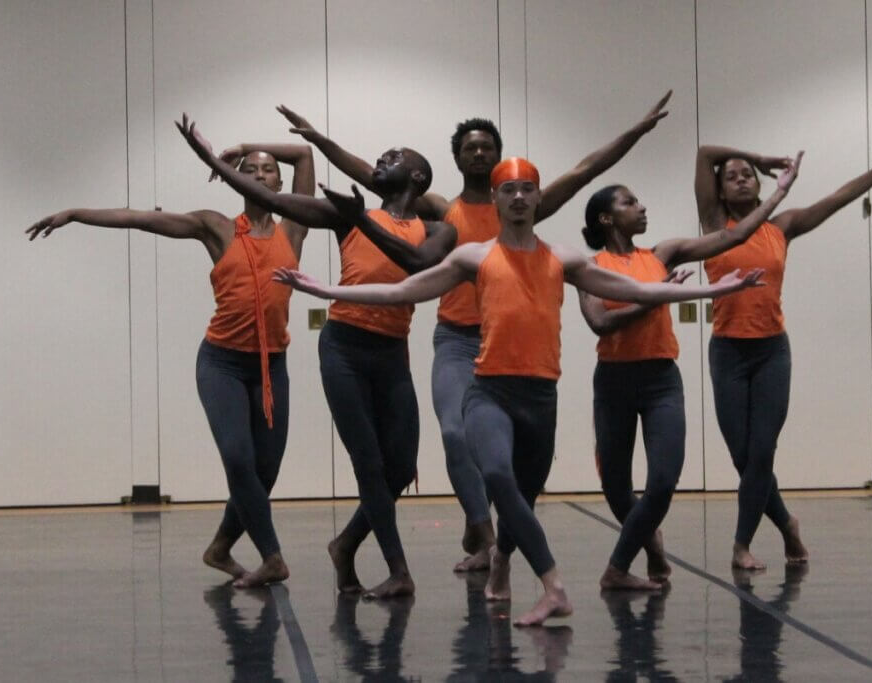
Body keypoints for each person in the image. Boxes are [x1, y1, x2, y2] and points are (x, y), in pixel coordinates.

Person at [270, 157, 767, 625]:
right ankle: (553, 585)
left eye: (528, 189)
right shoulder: (474, 256)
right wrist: (328, 291)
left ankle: (503, 558)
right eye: (509, 190)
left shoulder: (562, 258)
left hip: (540, 398)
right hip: (489, 392)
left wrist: (714, 290)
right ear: (497, 199)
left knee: (522, 497)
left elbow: (642, 290)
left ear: (537, 198)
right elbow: (403, 290)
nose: (520, 197)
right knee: (500, 479)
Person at [276, 91, 673, 571]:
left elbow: (585, 170)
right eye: (470, 148)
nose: (479, 153)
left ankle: (496, 537)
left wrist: (636, 132)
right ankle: (481, 528)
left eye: (488, 146)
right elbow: (371, 176)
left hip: (511, 346)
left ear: (500, 158)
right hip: (457, 339)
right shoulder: (444, 209)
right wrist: (322, 141)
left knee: (516, 459)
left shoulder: (522, 203)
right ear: (457, 159)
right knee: (454, 430)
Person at [176, 115, 456, 599]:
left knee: (399, 467)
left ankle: (346, 543)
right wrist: (209, 157)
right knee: (368, 464)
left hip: (392, 353)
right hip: (344, 347)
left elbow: (418, 266)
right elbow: (273, 199)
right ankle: (398, 570)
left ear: (417, 177)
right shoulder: (345, 215)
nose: (382, 159)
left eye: (394, 156)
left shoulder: (437, 230)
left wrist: (362, 217)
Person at [27, 137, 316, 587]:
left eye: (268, 170)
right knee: (240, 461)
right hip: (221, 364)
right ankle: (272, 557)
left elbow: (304, 155)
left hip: (271, 366)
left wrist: (245, 144)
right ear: (236, 180)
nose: (261, 175)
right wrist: (75, 213)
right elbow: (140, 220)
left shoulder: (294, 228)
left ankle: (220, 548)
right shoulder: (217, 227)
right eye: (251, 169)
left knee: (266, 471)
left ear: (280, 180)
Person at [695, 140, 872, 570]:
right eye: (732, 175)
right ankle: (786, 524)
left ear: (760, 186)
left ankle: (741, 545)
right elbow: (706, 151)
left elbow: (839, 197)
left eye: (748, 173)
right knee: (743, 458)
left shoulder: (781, 226)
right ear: (721, 192)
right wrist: (761, 156)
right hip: (727, 352)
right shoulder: (714, 225)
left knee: (762, 452)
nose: (742, 178)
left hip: (770, 352)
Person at [578, 153, 801, 590]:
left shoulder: (664, 253)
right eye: (630, 202)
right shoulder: (589, 268)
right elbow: (599, 323)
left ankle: (617, 568)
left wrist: (779, 192)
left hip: (662, 380)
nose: (642, 207)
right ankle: (652, 547)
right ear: (607, 218)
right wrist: (654, 298)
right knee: (617, 489)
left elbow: (736, 235)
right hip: (615, 382)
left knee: (662, 481)